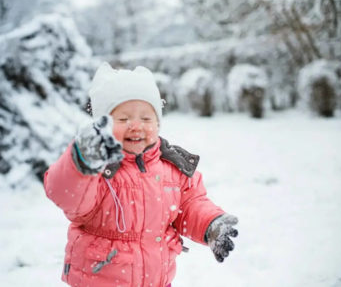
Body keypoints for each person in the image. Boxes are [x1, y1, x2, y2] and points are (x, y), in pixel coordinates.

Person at [44, 62, 239, 287]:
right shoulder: (99, 171)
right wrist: (81, 162)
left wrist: (210, 225)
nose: (136, 126)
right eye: (123, 119)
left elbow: (191, 204)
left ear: (158, 122)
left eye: (146, 119)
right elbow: (65, 193)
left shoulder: (172, 166)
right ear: (102, 126)